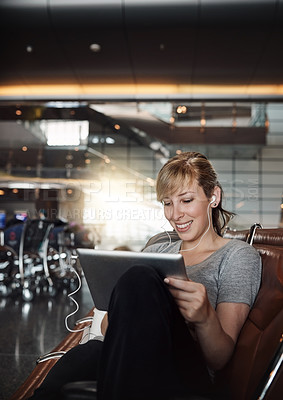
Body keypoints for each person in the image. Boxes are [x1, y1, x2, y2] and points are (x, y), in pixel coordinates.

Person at [30, 152, 262, 400]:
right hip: (132, 358)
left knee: (139, 277)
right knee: (85, 354)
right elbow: (109, 328)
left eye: (186, 200)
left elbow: (220, 359)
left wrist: (205, 317)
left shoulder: (237, 256)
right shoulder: (156, 251)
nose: (175, 215)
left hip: (186, 373)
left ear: (213, 197)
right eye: (167, 203)